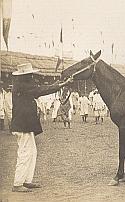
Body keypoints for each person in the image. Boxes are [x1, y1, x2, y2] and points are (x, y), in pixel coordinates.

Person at [11, 63, 73, 192]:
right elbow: (42, 90)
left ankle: (26, 180)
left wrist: (60, 83)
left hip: (25, 125)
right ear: (26, 76)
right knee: (24, 153)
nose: (32, 76)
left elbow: (41, 89)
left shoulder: (22, 86)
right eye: (30, 74)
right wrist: (62, 84)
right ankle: (17, 183)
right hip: (23, 125)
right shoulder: (23, 87)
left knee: (31, 152)